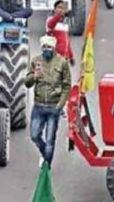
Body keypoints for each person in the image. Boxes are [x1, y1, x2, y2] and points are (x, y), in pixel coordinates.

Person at [24, 36, 71, 166]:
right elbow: (27, 83)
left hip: (53, 107)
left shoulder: (62, 63)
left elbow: (67, 86)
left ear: (54, 47)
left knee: (50, 139)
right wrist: (34, 76)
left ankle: (47, 166)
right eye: (44, 47)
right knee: (34, 135)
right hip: (39, 106)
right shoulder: (36, 61)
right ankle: (45, 154)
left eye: (49, 47)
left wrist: (59, 106)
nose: (46, 49)